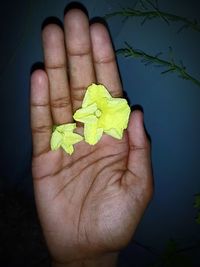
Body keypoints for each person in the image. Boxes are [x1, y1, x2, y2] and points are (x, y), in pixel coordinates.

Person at [30, 7, 153, 267]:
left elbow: (95, 121)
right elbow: (90, 119)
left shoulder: (95, 123)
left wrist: (90, 256)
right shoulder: (87, 121)